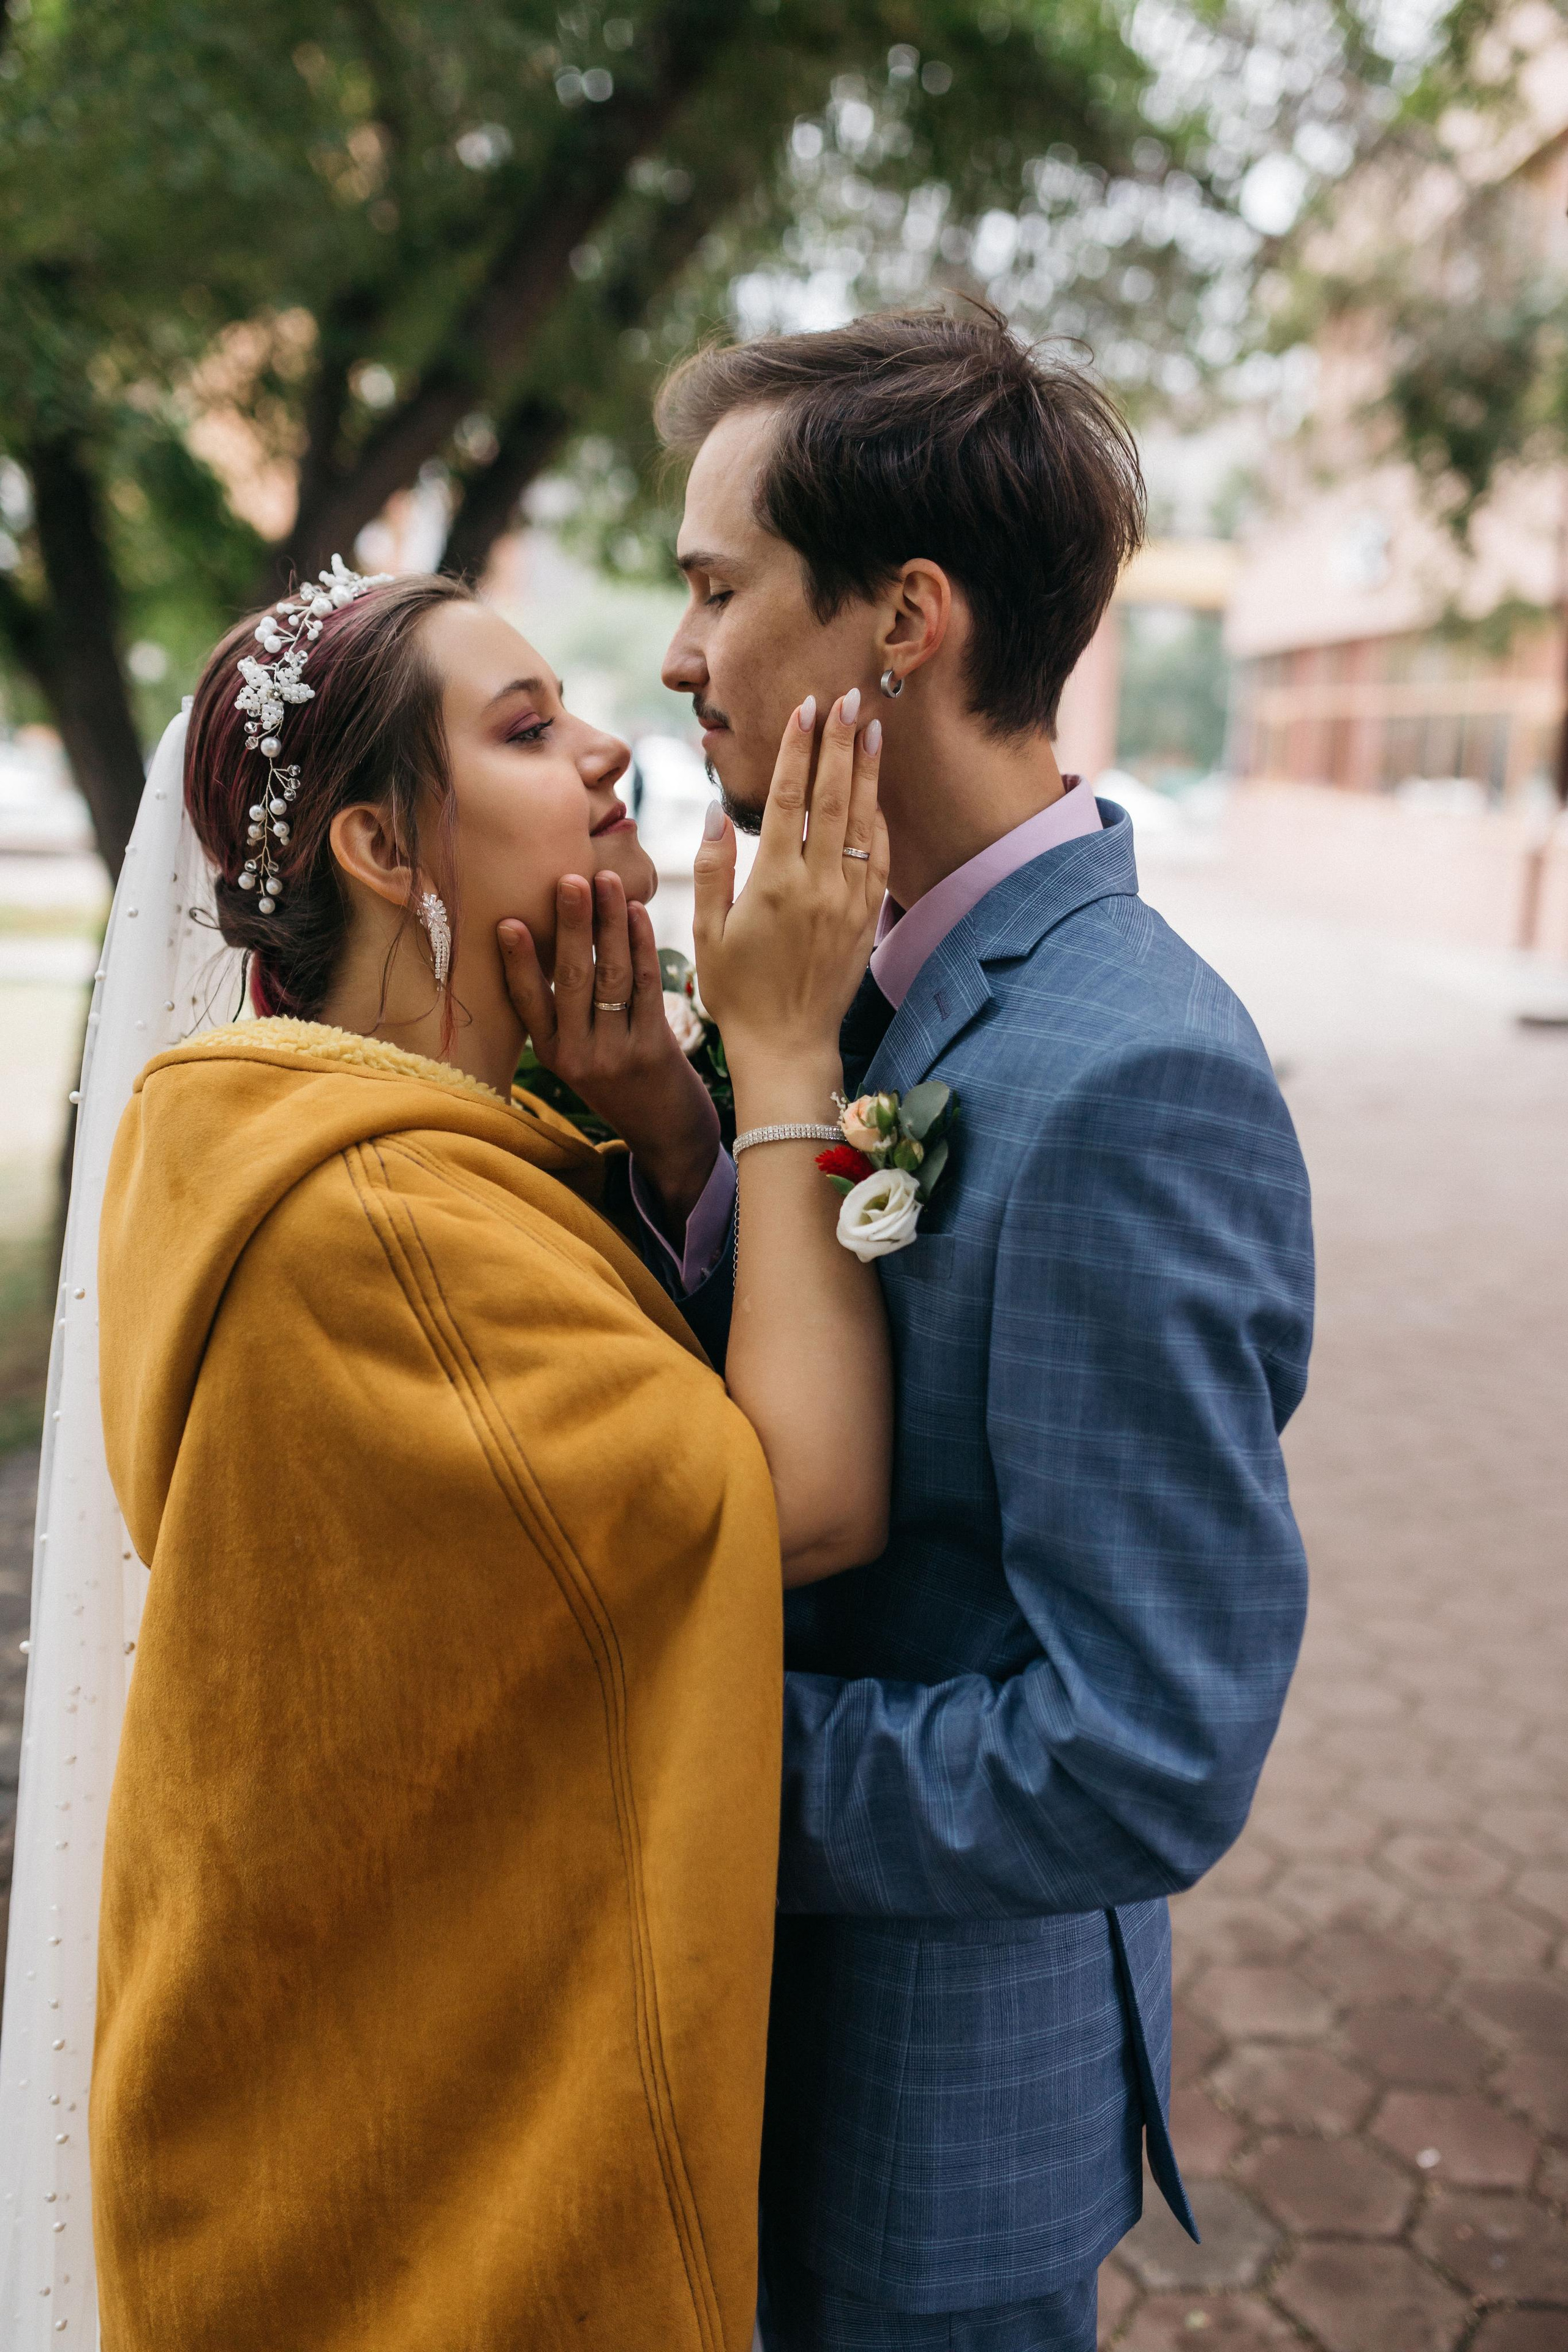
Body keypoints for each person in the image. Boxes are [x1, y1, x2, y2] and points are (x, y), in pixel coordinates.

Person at [83, 566, 891, 2351]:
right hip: (390, 2236)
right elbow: (804, 1505)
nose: (614, 746)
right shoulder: (377, 1220)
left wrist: (672, 1119)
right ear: (382, 848)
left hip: (331, 2154)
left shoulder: (325, 1135)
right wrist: (784, 1052)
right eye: (525, 729)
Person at [657, 309, 1316, 2351]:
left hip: (916, 2136)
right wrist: (668, 1111)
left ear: (904, 620)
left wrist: (657, 1752)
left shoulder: (1134, 1080)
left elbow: (1141, 1757)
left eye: (716, 589)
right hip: (724, 2057)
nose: (678, 655)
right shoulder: (826, 963)